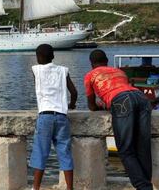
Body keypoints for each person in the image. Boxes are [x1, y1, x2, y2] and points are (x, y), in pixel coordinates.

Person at [85, 49, 152, 190]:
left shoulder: (90, 75)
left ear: (91, 64)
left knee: (125, 149)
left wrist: (101, 105)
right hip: (141, 98)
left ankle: (144, 187)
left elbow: (91, 106)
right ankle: (146, 185)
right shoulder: (119, 71)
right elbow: (125, 89)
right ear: (107, 62)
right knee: (143, 147)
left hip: (122, 101)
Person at [30, 44, 78, 190]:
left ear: (38, 57)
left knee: (41, 152)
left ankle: (36, 188)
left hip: (45, 116)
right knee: (64, 152)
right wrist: (71, 104)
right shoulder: (63, 71)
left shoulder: (35, 70)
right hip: (61, 116)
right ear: (53, 56)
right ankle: (70, 188)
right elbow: (74, 92)